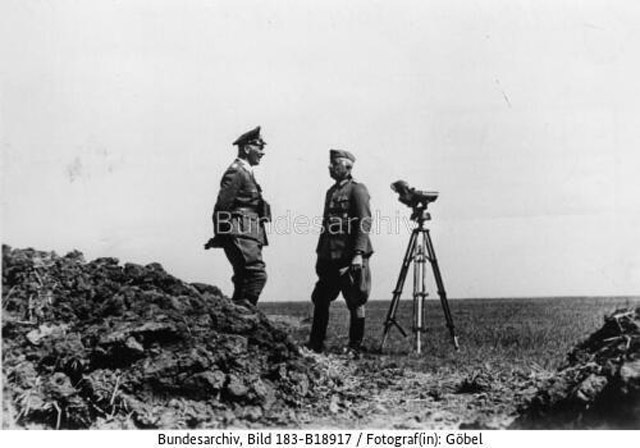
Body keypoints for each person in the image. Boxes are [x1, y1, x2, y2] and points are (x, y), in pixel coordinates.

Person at [307, 149, 373, 355]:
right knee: (320, 298)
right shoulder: (330, 192)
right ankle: (315, 344)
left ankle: (355, 345)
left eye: (335, 164)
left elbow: (364, 222)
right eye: (331, 163)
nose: (330, 168)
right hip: (329, 257)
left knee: (355, 300)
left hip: (350, 256)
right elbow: (326, 226)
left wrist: (358, 253)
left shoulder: (357, 190)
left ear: (347, 167)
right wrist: (321, 254)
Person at [204, 126, 271, 307]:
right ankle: (245, 316)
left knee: (244, 278)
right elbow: (222, 206)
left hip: (248, 231)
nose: (262, 152)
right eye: (259, 147)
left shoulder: (246, 172)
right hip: (240, 230)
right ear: (247, 148)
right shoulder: (237, 172)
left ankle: (238, 322)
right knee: (256, 275)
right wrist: (221, 235)